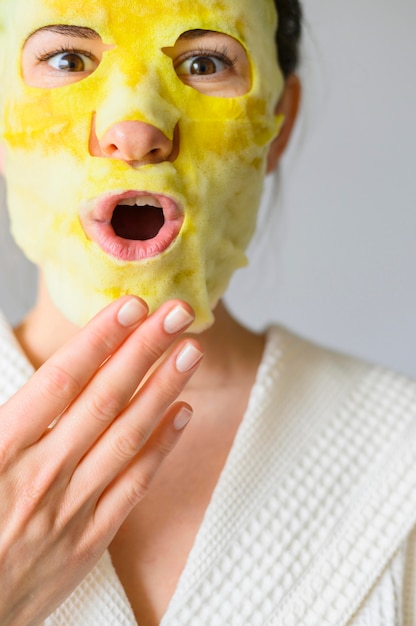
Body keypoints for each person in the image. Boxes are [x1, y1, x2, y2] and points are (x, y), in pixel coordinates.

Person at [0, 1, 415, 625]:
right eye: (67, 59)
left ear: (277, 120)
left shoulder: (399, 452)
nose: (136, 128)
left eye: (203, 62)